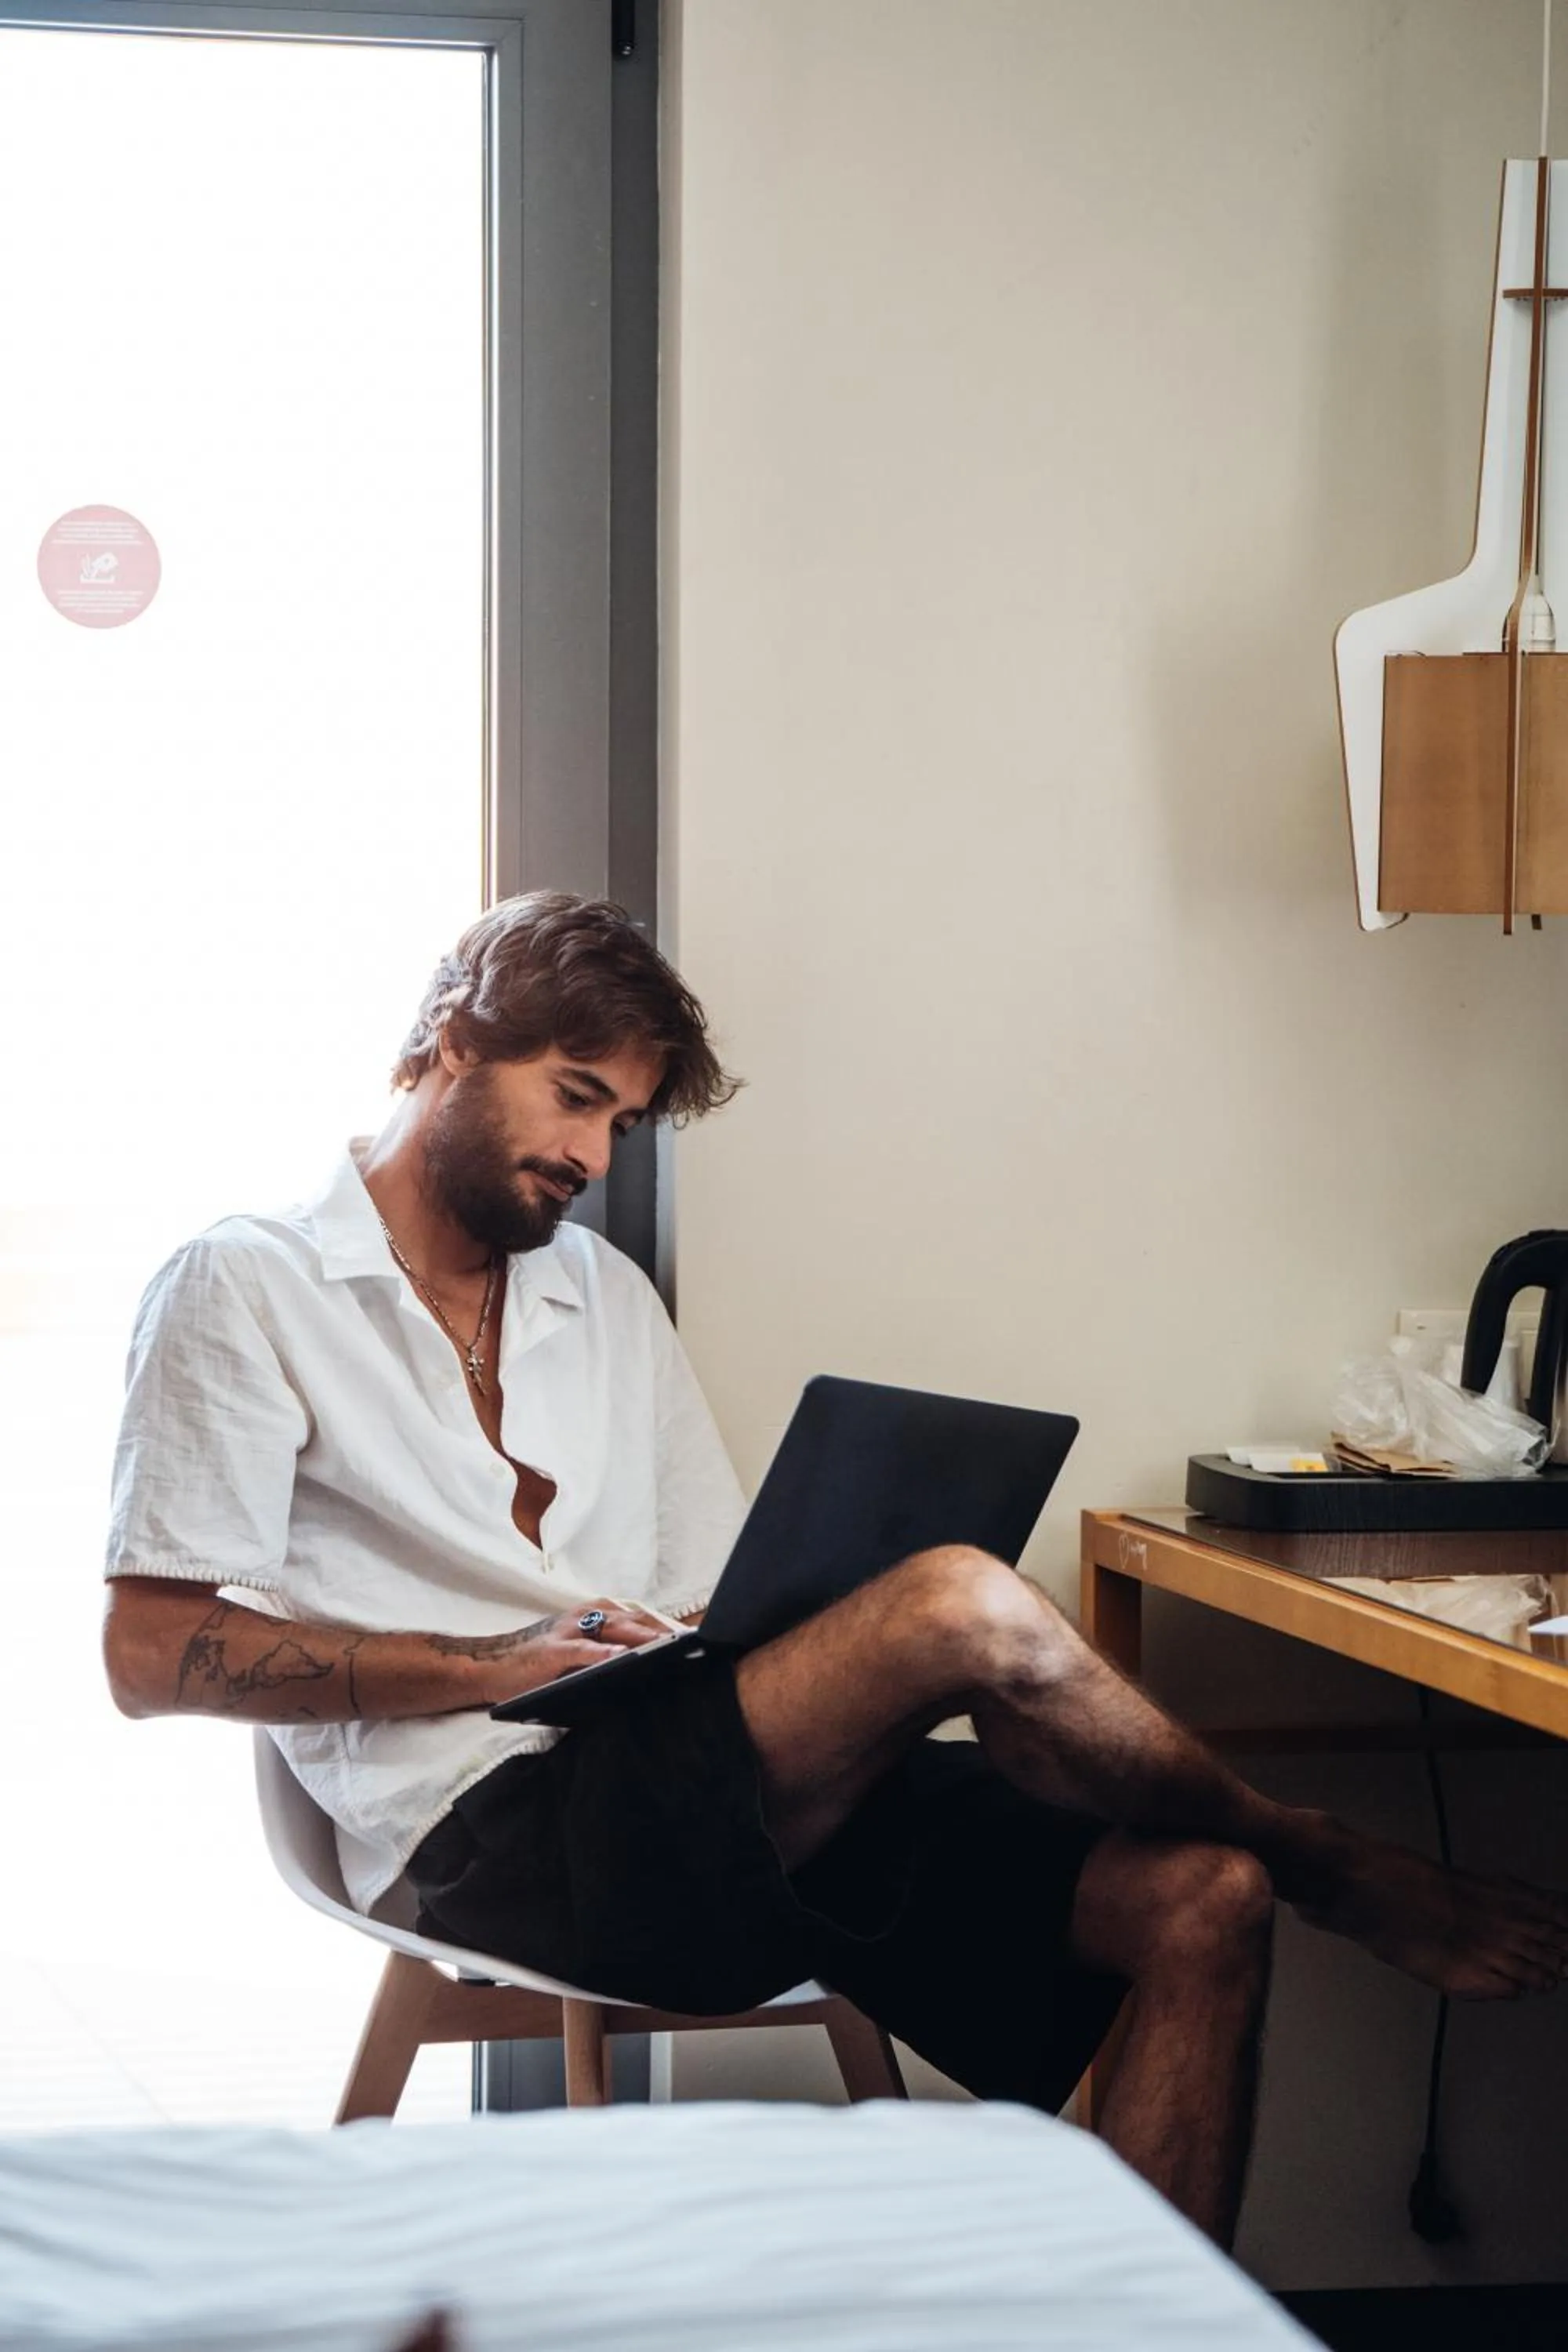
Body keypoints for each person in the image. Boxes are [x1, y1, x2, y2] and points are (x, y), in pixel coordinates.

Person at [103, 891, 1568, 2249]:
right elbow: (149, 1656)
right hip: (482, 1829)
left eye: (624, 1123)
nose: (596, 1158)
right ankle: (1335, 1862)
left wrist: (717, 1633)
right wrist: (491, 1668)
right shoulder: (248, 1284)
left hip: (692, 1784)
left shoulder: (600, 1293)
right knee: (955, 1601)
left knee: (1205, 1895)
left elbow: (706, 1586)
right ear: (452, 1039)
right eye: (576, 1095)